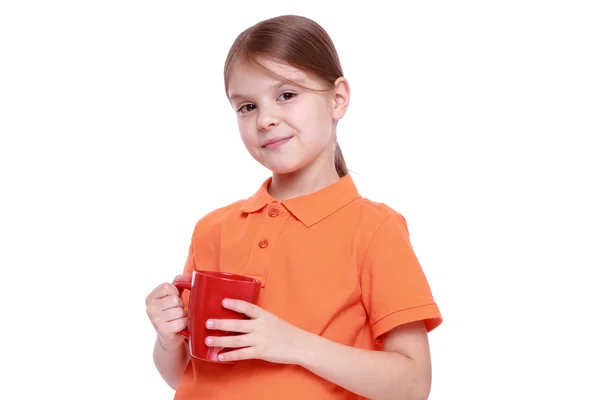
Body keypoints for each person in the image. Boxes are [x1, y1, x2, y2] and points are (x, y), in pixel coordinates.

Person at [145, 14, 442, 400]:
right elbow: (185, 375)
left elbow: (412, 384)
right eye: (247, 106)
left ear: (337, 99)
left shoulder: (374, 230)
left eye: (286, 95)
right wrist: (168, 339)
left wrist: (292, 344)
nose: (265, 119)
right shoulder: (213, 229)